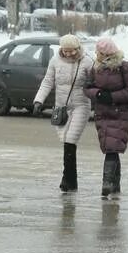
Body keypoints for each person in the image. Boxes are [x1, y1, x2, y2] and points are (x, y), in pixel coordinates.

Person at [32, 34, 95, 192]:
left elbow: (96, 83)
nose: (68, 54)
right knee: (65, 141)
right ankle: (70, 179)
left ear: (77, 48)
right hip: (61, 108)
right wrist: (38, 101)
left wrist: (93, 89)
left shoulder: (87, 61)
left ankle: (68, 179)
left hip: (81, 106)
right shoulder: (55, 61)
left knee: (70, 140)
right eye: (65, 51)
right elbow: (47, 81)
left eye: (71, 51)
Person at [83, 37, 128, 199]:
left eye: (99, 52)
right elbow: (87, 88)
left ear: (107, 53)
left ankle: (107, 184)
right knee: (111, 148)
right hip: (102, 112)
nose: (97, 54)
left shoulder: (124, 67)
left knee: (111, 147)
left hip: (120, 112)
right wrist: (99, 94)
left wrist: (112, 97)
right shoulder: (96, 68)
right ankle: (115, 185)